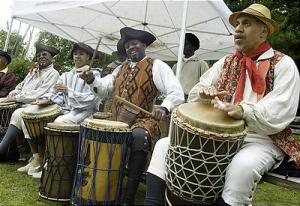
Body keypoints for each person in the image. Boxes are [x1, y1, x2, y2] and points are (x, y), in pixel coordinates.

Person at [144, 3, 300, 206]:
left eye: (246, 23)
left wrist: (244, 111)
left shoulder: (283, 63)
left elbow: (282, 107)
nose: (238, 29)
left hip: (262, 138)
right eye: (237, 24)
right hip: (222, 136)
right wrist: (204, 95)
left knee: (242, 167)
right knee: (164, 146)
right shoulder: (226, 62)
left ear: (263, 32)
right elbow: (196, 93)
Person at [80, 27, 184, 204]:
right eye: (128, 46)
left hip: (143, 121)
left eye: (135, 43)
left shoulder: (156, 65)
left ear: (144, 45)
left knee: (139, 138)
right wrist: (91, 79)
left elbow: (176, 92)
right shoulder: (119, 69)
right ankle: (105, 184)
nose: (131, 48)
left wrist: (165, 108)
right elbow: (103, 88)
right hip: (118, 120)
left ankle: (127, 197)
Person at [17, 42, 101, 178]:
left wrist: (69, 91)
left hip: (84, 112)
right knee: (28, 114)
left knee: (59, 121)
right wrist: (47, 99)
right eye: (75, 54)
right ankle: (40, 159)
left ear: (89, 57)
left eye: (81, 54)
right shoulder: (66, 75)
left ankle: (52, 165)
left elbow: (91, 99)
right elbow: (55, 92)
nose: (77, 56)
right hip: (65, 109)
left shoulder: (94, 74)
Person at [0, 43, 60, 166]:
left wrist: (16, 98)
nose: (41, 57)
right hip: (26, 104)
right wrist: (14, 92)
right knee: (17, 113)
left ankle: (34, 158)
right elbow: (21, 85)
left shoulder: (53, 73)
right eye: (39, 55)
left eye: (44, 54)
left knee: (19, 113)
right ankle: (32, 157)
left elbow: (39, 93)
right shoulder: (34, 71)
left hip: (41, 105)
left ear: (51, 57)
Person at [172, 33, 209, 101]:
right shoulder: (176, 65)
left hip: (193, 102)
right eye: (182, 44)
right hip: (177, 100)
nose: (183, 46)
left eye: (186, 44)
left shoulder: (201, 64)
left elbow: (206, 84)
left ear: (193, 46)